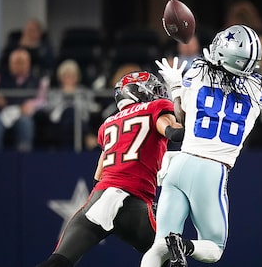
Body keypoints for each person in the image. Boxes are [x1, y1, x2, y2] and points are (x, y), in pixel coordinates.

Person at [140, 24, 262, 266]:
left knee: (158, 247)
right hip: (212, 170)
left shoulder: (197, 71)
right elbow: (238, 80)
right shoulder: (259, 89)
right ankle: (184, 245)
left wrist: (176, 86)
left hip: (180, 163)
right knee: (213, 248)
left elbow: (181, 119)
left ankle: (170, 245)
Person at [36, 71, 184, 267]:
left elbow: (99, 173)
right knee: (169, 260)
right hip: (133, 202)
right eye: (155, 90)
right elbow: (175, 133)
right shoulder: (155, 107)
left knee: (58, 262)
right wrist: (182, 97)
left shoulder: (108, 123)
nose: (158, 94)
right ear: (138, 92)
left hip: (99, 200)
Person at [0, 48, 48, 152]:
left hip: (23, 113)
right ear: (10, 63)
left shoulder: (37, 80)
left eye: (22, 62)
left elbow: (42, 100)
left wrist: (31, 105)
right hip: (1, 112)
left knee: (25, 122)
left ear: (28, 63)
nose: (20, 65)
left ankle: (24, 156)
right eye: (17, 62)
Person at [38, 59, 100, 150]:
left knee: (72, 113)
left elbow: (92, 107)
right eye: (67, 75)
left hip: (81, 120)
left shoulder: (84, 92)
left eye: (73, 75)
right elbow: (48, 108)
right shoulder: (54, 93)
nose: (70, 78)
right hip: (59, 123)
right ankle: (87, 136)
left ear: (77, 77)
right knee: (69, 111)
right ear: (61, 77)